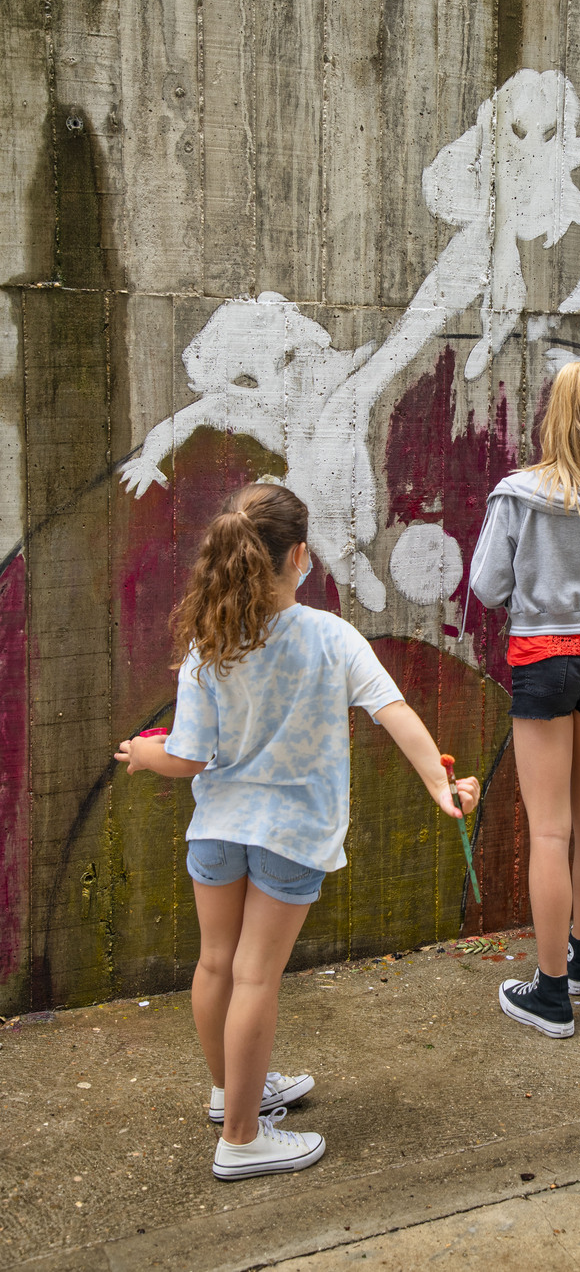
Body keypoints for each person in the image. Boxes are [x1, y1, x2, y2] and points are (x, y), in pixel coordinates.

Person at [115, 483, 479, 1179]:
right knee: (256, 977)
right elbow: (394, 712)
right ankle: (245, 1139)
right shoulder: (330, 637)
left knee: (217, 964)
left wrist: (141, 752)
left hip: (217, 829)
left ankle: (232, 1094)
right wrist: (442, 787)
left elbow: (187, 756)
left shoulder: (208, 645)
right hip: (292, 834)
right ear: (299, 557)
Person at [469, 363, 580, 1037]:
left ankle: (549, 994)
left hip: (543, 660)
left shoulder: (517, 495)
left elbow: (487, 586)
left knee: (549, 829)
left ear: (550, 417)